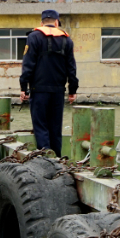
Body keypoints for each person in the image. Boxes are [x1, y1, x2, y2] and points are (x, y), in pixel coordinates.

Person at [19, 9, 78, 156]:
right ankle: (57, 156)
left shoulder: (34, 37)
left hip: (38, 89)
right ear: (56, 22)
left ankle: (45, 156)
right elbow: (71, 68)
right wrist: (72, 90)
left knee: (40, 125)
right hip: (58, 90)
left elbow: (28, 64)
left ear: (41, 23)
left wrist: (23, 88)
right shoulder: (67, 40)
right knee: (55, 126)